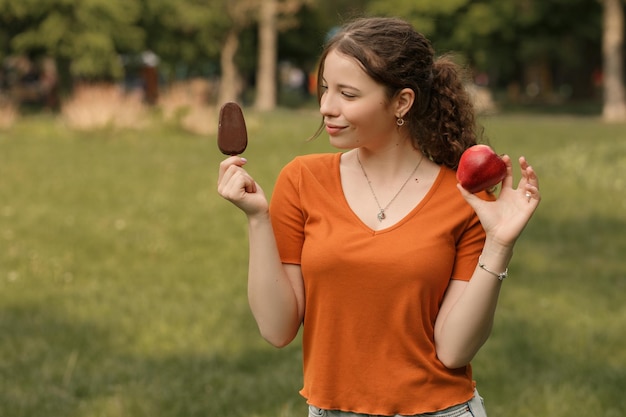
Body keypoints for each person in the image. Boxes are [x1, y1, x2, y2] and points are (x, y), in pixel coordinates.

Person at [217, 16, 540, 417]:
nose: (326, 108)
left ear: (401, 102)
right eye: (324, 90)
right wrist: (257, 220)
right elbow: (276, 328)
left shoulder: (464, 199)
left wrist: (500, 243)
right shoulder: (302, 180)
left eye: (348, 95)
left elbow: (453, 350)